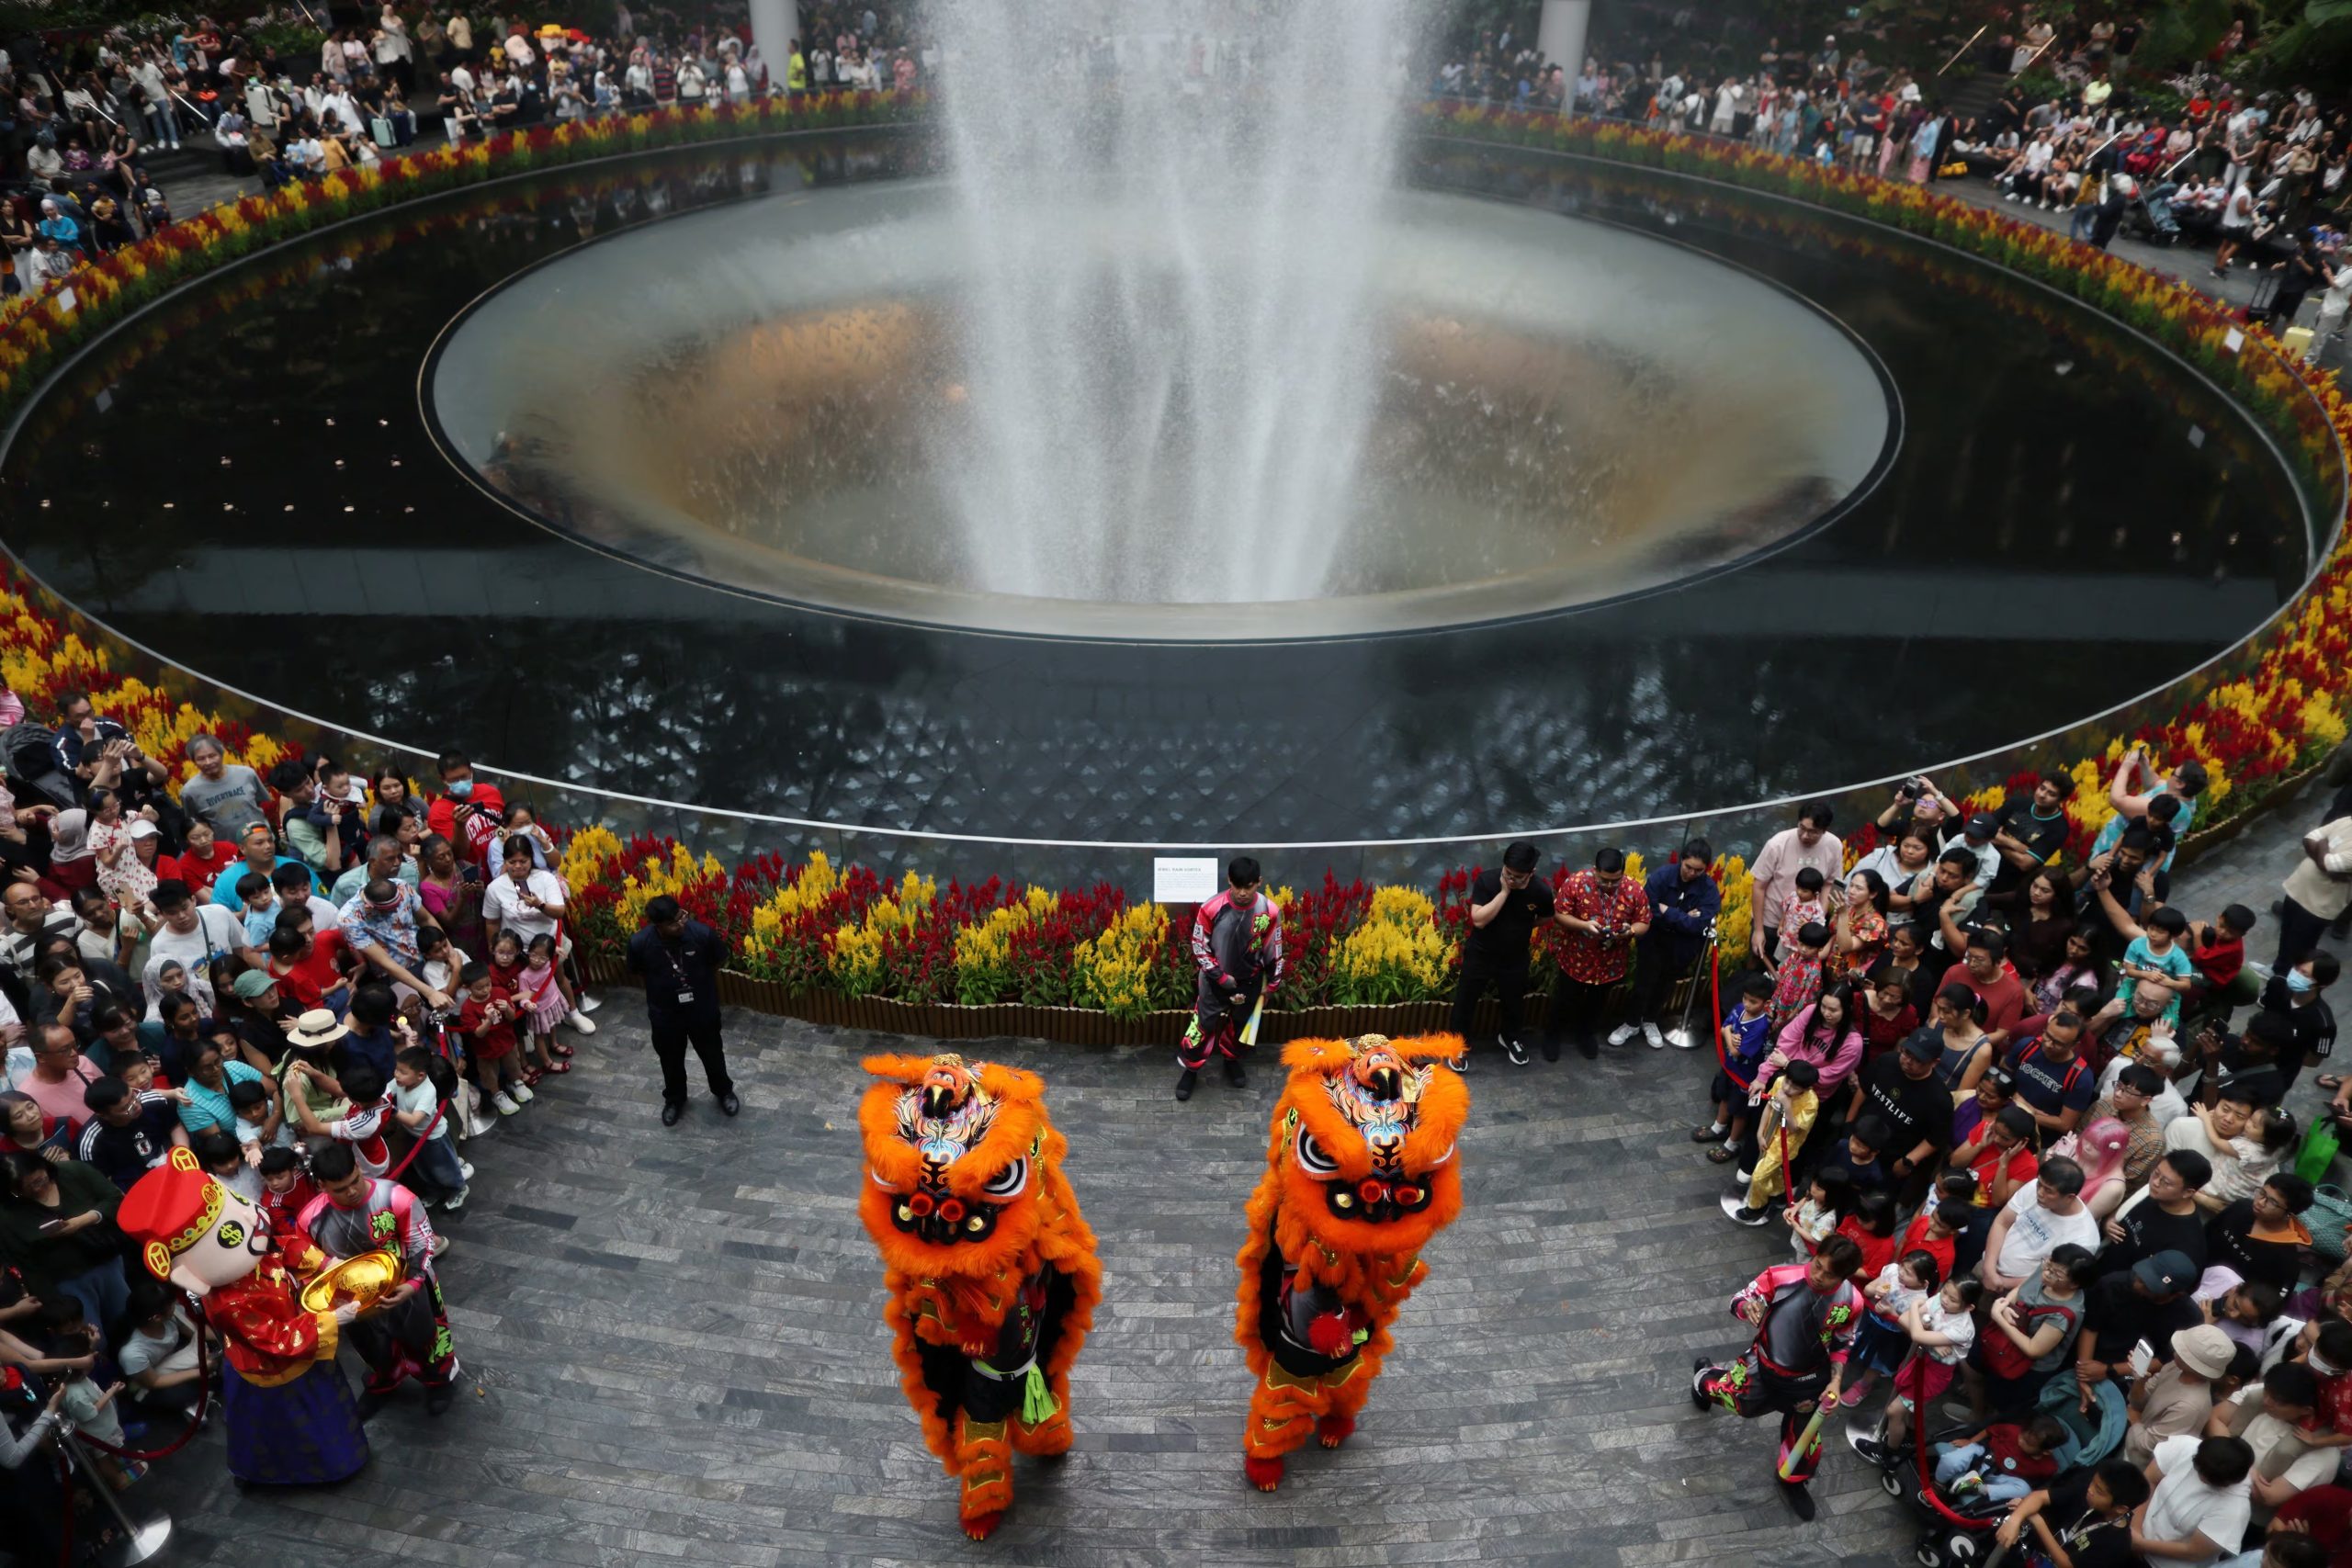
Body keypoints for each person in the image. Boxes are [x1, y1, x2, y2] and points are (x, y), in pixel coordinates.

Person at [1690, 1235, 1864, 1521]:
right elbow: (1739, 1299)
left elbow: (1842, 1343)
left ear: (1845, 1276)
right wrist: (1747, 1308)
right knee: (1739, 1403)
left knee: (1806, 1435)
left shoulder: (1852, 1302)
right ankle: (1703, 1379)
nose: (1819, 1276)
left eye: (1829, 1273)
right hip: (1763, 1368)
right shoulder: (1781, 1276)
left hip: (1811, 1382)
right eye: (1817, 1265)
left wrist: (1835, 1381)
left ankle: (1792, 1478)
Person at [293, 1140, 458, 1417]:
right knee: (373, 1348)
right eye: (340, 1190)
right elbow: (305, 1261)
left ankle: (438, 1381)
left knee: (427, 1339)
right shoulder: (310, 1219)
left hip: (408, 1286)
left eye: (354, 1181)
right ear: (321, 1185)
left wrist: (412, 1285)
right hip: (354, 1302)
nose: (352, 1192)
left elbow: (423, 1243)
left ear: (358, 1167)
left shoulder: (397, 1197)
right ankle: (385, 1382)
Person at [624, 894, 737, 1126]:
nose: (681, 924)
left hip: (701, 1009)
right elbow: (636, 970)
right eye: (673, 923)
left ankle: (724, 1091)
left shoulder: (702, 935)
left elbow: (717, 961)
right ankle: (675, 1099)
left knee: (713, 1054)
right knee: (670, 1060)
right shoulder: (640, 943)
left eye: (682, 916)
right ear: (658, 926)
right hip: (665, 1014)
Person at [1178, 858, 1283, 1095]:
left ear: (1259, 883)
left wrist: (1273, 983)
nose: (1242, 893)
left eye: (1248, 886)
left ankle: (1231, 1060)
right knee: (1202, 1025)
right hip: (1215, 982)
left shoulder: (1269, 911)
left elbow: (1273, 948)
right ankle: (1191, 1069)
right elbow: (1199, 946)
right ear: (1229, 881)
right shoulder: (1211, 908)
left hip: (1250, 982)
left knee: (1240, 1025)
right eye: (1237, 886)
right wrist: (1219, 976)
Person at [1450, 841, 1554, 1067]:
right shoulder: (1487, 881)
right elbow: (1479, 919)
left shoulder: (1541, 891)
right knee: (1466, 1000)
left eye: (1518, 877)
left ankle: (1510, 1037)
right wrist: (1505, 892)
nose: (1511, 879)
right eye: (1508, 873)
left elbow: (1546, 917)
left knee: (1514, 1001)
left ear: (1531, 873)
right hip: (1481, 953)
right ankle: (1458, 1043)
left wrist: (1522, 926)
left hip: (1515, 957)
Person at [1542, 848, 1650, 1062]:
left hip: (1611, 961)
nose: (1609, 886)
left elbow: (1644, 921)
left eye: (1614, 881)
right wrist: (1584, 925)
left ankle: (1585, 1034)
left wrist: (1630, 931)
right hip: (1576, 958)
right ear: (1595, 870)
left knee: (1596, 1002)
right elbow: (1559, 914)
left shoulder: (1634, 890)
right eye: (1604, 880)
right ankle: (1552, 1036)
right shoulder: (1577, 883)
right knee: (1564, 999)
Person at [1624, 840, 1719, 1047]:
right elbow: (1648, 909)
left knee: (1665, 985)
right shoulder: (1662, 876)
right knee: (1642, 983)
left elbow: (1699, 924)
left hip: (1682, 947)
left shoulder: (1708, 889)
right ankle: (1631, 1022)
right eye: (1688, 867)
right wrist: (1684, 916)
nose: (1692, 873)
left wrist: (1669, 911)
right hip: (1654, 940)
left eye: (1699, 870)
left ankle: (1649, 1021)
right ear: (1682, 861)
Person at [1990, 1457, 2152, 1567]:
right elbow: (2039, 1497)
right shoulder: (2088, 1492)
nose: (2090, 1490)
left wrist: (2038, 1522)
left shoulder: (2116, 1543)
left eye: (2099, 1491)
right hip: (2034, 1555)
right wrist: (2015, 1520)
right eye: (2093, 1483)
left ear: (2120, 1508)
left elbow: (2067, 1565)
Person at [2124, 1324, 2237, 1466]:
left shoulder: (2189, 1406)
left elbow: (2149, 1446)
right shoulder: (2174, 1367)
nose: (2176, 1349)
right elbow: (2138, 1402)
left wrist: (2134, 1417)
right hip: (2133, 1439)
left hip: (2140, 1463)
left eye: (2184, 1351)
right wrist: (2139, 1380)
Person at [1984, 1158, 2101, 1292]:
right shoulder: (2035, 1187)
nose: (2040, 1192)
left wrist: (2004, 1283)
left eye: (2049, 1191)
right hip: (1988, 1263)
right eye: (2039, 1184)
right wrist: (1989, 1268)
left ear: (2069, 1197)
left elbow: (2055, 1275)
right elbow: (2003, 1222)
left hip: (2019, 1290)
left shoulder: (2084, 1238)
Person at [1747, 803, 1843, 964]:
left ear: (1824, 830)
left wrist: (1816, 921)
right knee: (1759, 967)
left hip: (1805, 930)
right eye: (1802, 828)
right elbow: (1759, 886)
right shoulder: (1778, 844)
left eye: (1813, 832)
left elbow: (1829, 884)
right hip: (1772, 921)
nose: (1805, 835)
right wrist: (1758, 930)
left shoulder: (1833, 846)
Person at [2141, 1434, 2256, 1563]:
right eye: (2199, 1470)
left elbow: (2194, 1552)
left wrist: (2140, 1544)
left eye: (2208, 1478)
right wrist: (2134, 1529)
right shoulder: (2187, 1447)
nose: (2201, 1477)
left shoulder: (2235, 1509)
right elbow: (2147, 1481)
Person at [2277, 816, 2352, 972]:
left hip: (2318, 905)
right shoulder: (2347, 821)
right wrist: (2323, 856)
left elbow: (2325, 862)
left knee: (2300, 947)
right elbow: (2309, 838)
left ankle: (2286, 983)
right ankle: (2277, 969)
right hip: (2298, 888)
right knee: (2286, 933)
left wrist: (2323, 844)